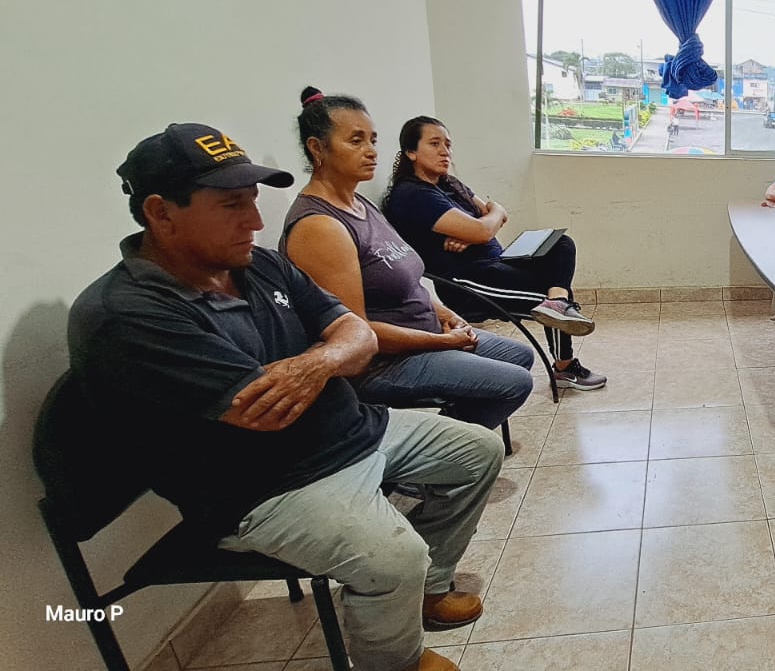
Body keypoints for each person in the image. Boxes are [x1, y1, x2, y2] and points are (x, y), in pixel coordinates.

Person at [70, 122, 495, 671]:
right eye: (231, 205)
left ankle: (427, 591)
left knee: (478, 452)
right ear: (161, 213)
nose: (255, 221)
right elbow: (265, 413)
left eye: (253, 200)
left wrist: (315, 362)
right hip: (266, 486)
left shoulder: (258, 263)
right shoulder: (129, 316)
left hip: (351, 430)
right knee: (394, 558)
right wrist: (333, 354)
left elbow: (358, 334)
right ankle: (397, 661)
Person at [278, 88, 545, 428]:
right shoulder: (320, 227)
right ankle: (443, 448)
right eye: (356, 141)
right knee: (514, 383)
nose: (371, 151)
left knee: (518, 355)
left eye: (373, 140)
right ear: (317, 148)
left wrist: (448, 315)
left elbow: (407, 278)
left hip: (425, 332)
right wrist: (442, 342)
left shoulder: (362, 205)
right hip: (383, 363)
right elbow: (356, 333)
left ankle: (457, 433)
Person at [380, 115, 607, 391]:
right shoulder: (413, 195)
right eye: (434, 144)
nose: (445, 151)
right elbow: (484, 228)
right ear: (411, 152)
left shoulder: (448, 184)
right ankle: (564, 361)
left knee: (560, 244)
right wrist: (477, 230)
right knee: (544, 297)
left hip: (496, 264)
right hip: (468, 281)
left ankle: (558, 304)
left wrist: (476, 230)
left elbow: (497, 212)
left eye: (448, 145)